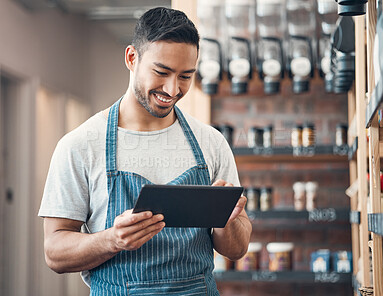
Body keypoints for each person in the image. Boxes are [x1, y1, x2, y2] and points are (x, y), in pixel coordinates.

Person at [39, 7, 252, 295]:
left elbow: (236, 251)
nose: (172, 88)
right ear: (132, 58)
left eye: (185, 76)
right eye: (161, 72)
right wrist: (113, 239)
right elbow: (54, 251)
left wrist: (228, 222)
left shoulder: (211, 142)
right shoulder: (80, 145)